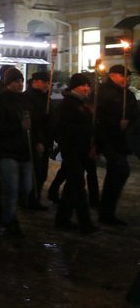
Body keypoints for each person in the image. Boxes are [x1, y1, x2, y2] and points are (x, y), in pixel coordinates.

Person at [0, 68, 38, 237]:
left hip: (24, 149)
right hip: (6, 150)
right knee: (11, 187)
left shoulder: (25, 99)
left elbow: (33, 122)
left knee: (26, 187)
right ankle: (9, 220)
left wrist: (36, 138)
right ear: (8, 82)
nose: (19, 84)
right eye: (16, 81)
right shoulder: (0, 100)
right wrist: (18, 125)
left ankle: (0, 205)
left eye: (21, 80)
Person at [54, 73, 98, 234]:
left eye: (88, 85)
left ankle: (62, 218)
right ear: (74, 87)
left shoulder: (80, 103)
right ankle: (85, 222)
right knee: (79, 187)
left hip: (80, 151)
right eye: (83, 85)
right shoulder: (69, 104)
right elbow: (65, 129)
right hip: (72, 150)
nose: (87, 88)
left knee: (72, 186)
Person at [96, 64, 138, 225]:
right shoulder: (104, 92)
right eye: (123, 76)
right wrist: (116, 123)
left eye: (127, 76)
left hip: (122, 140)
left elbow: (134, 113)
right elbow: (99, 116)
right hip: (108, 139)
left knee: (118, 173)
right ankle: (105, 211)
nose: (125, 79)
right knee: (119, 170)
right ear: (113, 75)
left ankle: (106, 210)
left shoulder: (127, 94)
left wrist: (130, 120)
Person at [22, 71, 51, 210]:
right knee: (36, 172)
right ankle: (30, 199)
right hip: (34, 140)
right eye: (44, 82)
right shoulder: (29, 97)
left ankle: (35, 198)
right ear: (36, 82)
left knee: (41, 172)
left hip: (45, 138)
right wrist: (38, 141)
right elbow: (35, 122)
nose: (47, 85)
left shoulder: (45, 97)